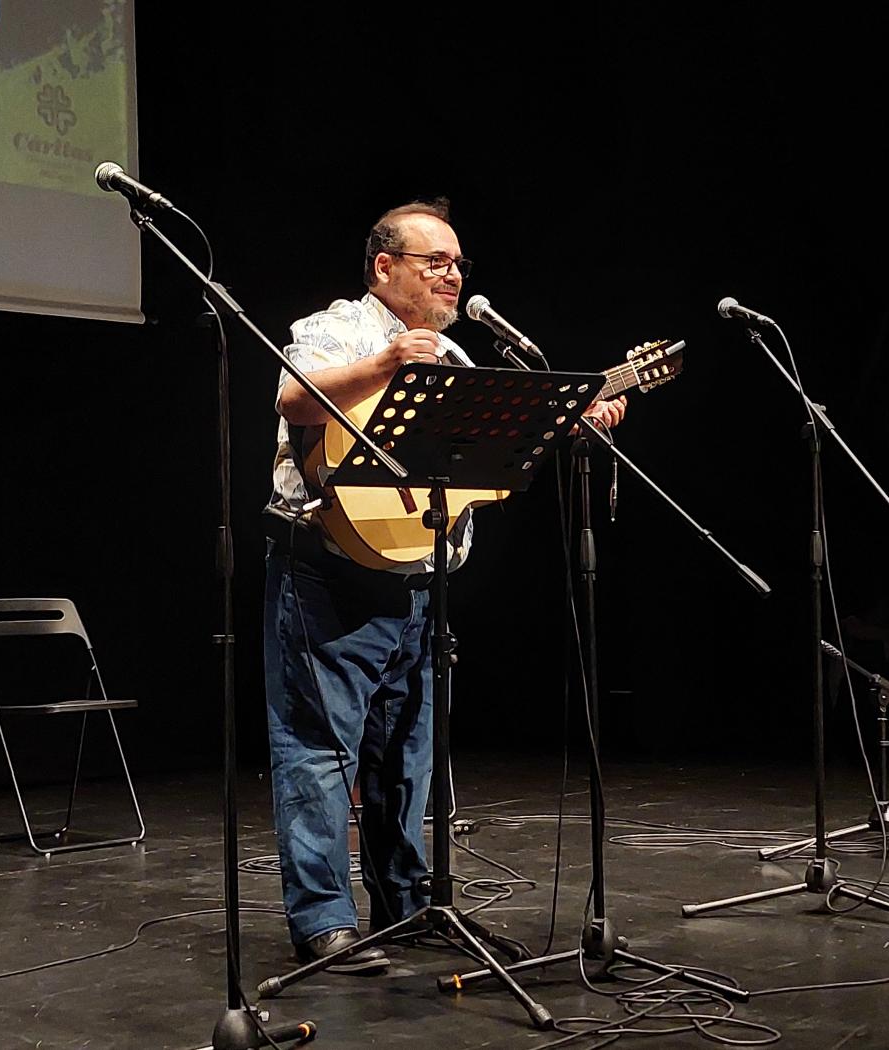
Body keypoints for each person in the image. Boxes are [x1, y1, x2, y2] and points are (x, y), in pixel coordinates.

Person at [262, 198, 626, 973]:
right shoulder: (340, 328)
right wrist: (387, 364)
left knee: (406, 756)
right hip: (329, 571)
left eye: (459, 264)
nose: (453, 276)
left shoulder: (458, 358)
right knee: (318, 753)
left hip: (423, 581)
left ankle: (405, 904)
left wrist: (576, 418)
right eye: (436, 263)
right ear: (384, 267)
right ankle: (325, 922)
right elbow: (293, 396)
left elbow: (492, 451)